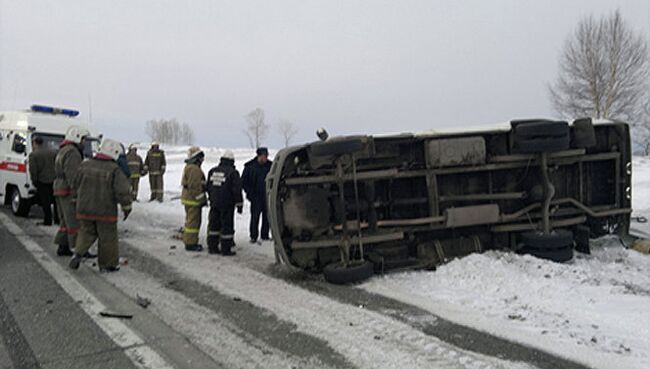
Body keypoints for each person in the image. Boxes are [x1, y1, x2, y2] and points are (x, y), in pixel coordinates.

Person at [69, 139, 132, 272]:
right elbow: (123, 191)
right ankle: (108, 264)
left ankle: (78, 253)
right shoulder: (115, 169)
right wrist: (126, 207)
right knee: (108, 237)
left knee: (86, 232)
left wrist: (75, 200)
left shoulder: (84, 165)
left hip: (84, 208)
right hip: (105, 211)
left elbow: (75, 184)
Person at [53, 125, 90, 256]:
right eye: (83, 139)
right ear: (77, 137)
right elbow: (73, 176)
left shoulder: (63, 150)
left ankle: (63, 246)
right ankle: (79, 249)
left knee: (65, 221)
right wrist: (77, 194)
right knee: (74, 221)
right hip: (67, 191)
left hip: (59, 188)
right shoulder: (73, 153)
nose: (84, 142)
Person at [206, 150, 243, 256]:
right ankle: (226, 249)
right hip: (227, 205)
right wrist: (239, 204)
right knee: (226, 226)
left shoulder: (212, 171)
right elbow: (236, 190)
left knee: (214, 225)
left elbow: (208, 187)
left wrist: (212, 198)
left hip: (214, 203)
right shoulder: (233, 173)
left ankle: (212, 247)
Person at [242, 147, 272, 243]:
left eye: (266, 156)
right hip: (255, 196)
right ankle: (253, 236)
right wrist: (249, 194)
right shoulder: (250, 167)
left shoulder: (270, 166)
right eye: (263, 156)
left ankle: (265, 235)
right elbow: (244, 182)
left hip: (267, 196)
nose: (265, 158)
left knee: (267, 217)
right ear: (258, 156)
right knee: (255, 217)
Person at [29, 136, 59, 226]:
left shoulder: (33, 155)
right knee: (55, 201)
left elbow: (33, 170)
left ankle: (48, 220)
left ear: (35, 143)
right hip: (54, 180)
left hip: (42, 181)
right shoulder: (53, 152)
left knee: (45, 202)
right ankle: (57, 219)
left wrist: (34, 181)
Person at [181, 146, 206, 252]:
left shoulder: (190, 167)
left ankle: (189, 240)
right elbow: (195, 186)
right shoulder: (194, 169)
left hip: (189, 198)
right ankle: (191, 243)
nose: (202, 160)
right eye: (201, 157)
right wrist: (202, 199)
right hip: (193, 200)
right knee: (193, 223)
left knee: (190, 221)